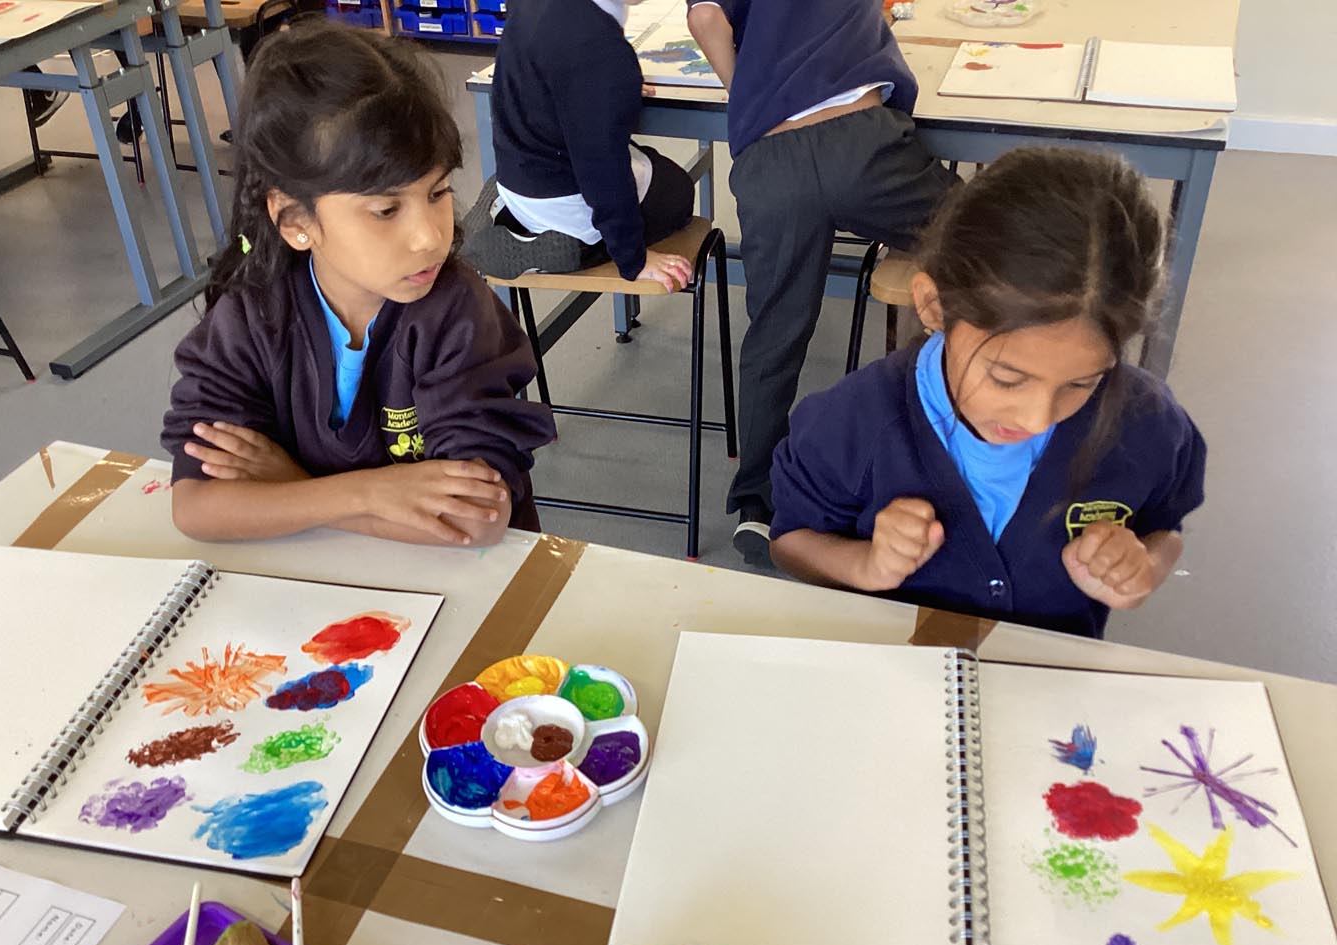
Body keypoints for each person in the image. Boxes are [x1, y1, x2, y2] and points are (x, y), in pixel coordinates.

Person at [768, 148, 1206, 639]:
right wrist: (866, 565)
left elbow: (1165, 526)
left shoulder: (1148, 424)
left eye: (1082, 383)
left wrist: (1140, 569)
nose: (1039, 418)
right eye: (1006, 378)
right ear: (934, 307)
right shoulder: (852, 423)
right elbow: (791, 542)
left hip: (1049, 691)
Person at [161, 19, 556, 546]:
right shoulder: (253, 312)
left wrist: (289, 485)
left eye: (437, 194)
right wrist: (367, 494)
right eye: (386, 209)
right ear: (296, 222)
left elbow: (473, 522)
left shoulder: (456, 313)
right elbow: (196, 507)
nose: (428, 238)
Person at [685, 0, 957, 563]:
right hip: (864, 146)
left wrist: (757, 93)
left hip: (772, 158)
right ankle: (947, 440)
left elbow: (706, 19)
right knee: (980, 234)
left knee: (775, 332)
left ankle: (757, 506)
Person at [462, 0, 696, 292]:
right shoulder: (597, 45)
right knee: (677, 189)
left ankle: (505, 209)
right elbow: (602, 166)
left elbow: (558, 71)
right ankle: (582, 248)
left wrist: (609, 87)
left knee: (642, 159)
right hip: (565, 198)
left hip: (520, 171)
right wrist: (633, 258)